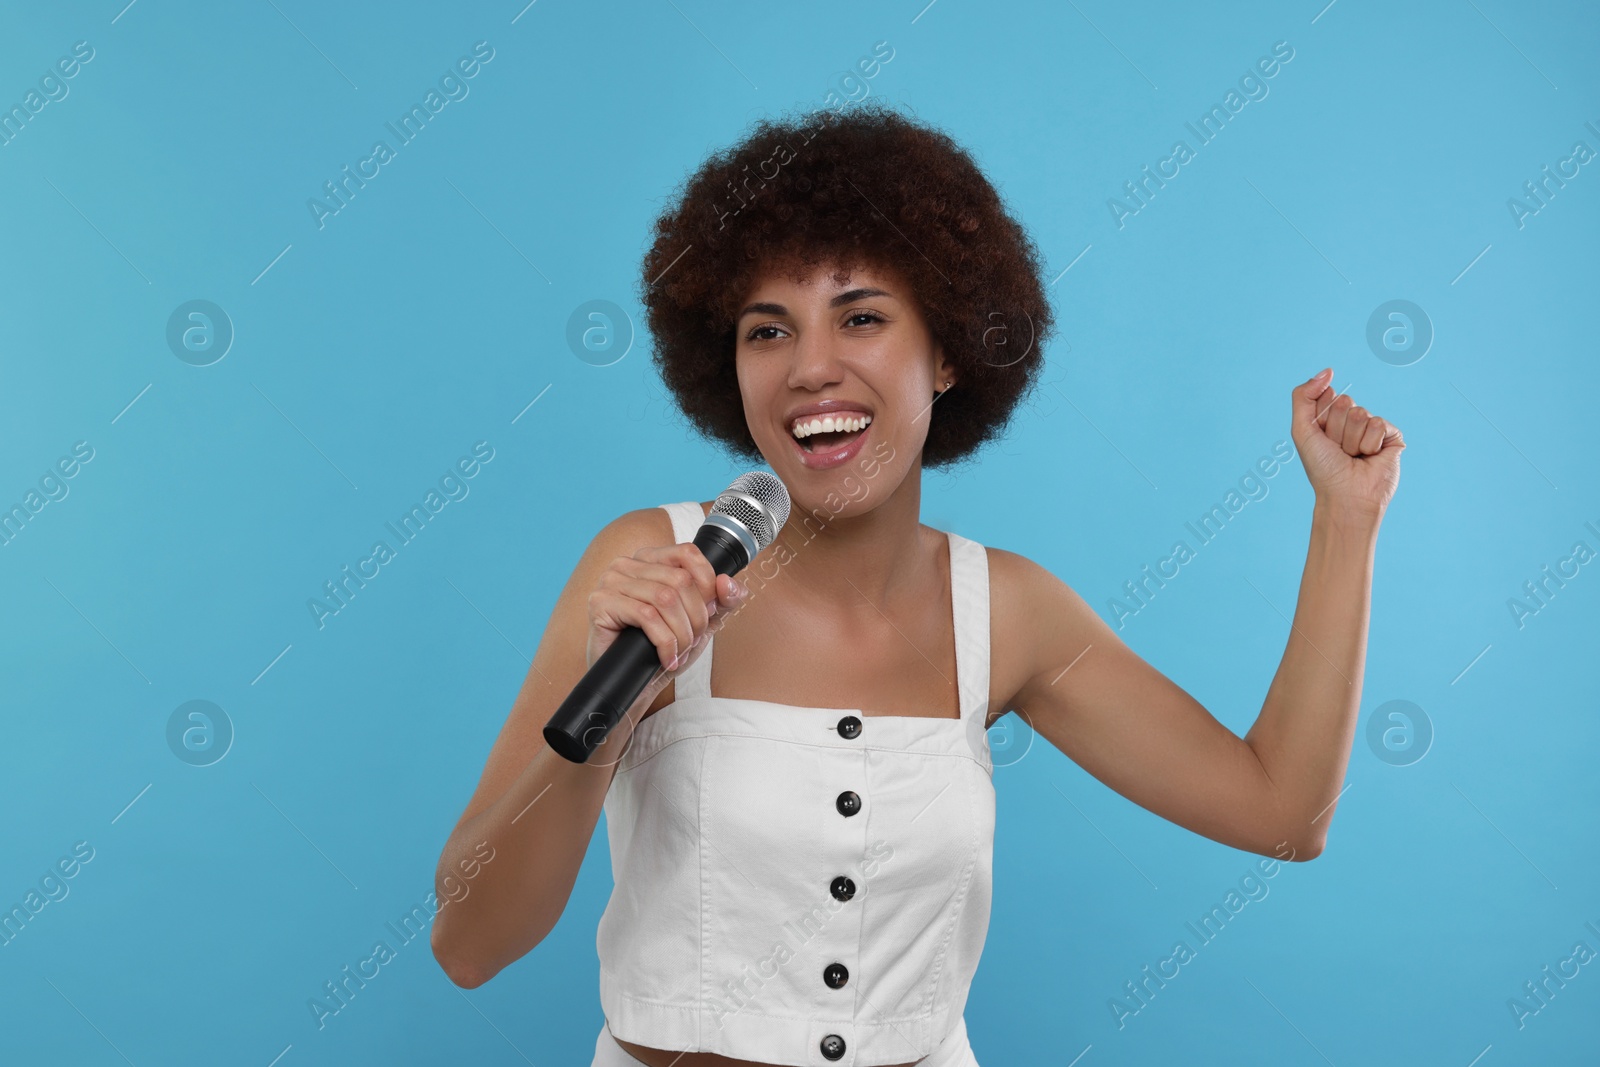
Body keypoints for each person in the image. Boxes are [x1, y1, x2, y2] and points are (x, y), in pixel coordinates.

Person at [429, 101, 1404, 1067]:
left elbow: (1281, 812)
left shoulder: (1010, 611)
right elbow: (469, 944)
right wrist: (608, 715)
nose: (811, 367)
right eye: (767, 331)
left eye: (859, 318)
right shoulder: (647, 570)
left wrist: (1345, 519)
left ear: (946, 352)